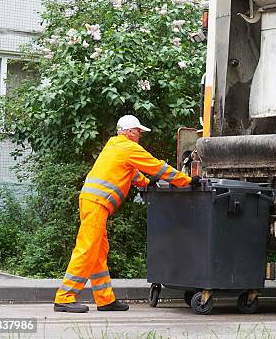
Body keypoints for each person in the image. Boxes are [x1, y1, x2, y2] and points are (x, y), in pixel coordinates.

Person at [53, 115, 200, 313]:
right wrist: (187, 181)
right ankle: (64, 297)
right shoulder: (128, 147)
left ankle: (105, 300)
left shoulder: (115, 146)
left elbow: (130, 172)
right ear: (130, 131)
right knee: (87, 248)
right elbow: (157, 166)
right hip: (96, 203)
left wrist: (147, 184)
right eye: (138, 131)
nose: (140, 135)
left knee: (98, 251)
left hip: (93, 202)